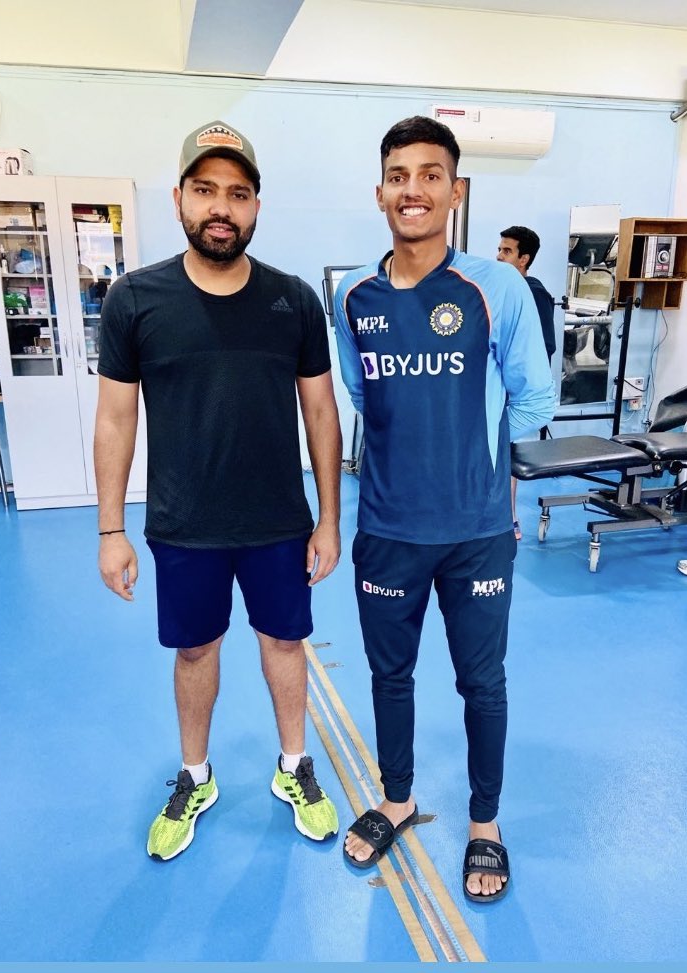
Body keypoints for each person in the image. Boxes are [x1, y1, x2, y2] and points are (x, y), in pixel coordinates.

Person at [94, 120, 342, 861]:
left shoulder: (293, 301)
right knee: (196, 650)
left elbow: (322, 413)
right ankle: (195, 775)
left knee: (285, 642)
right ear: (179, 199)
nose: (221, 207)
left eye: (237, 193)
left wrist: (329, 519)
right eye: (205, 190)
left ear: (257, 206)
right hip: (184, 522)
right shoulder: (134, 299)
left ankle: (294, 766)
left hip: (276, 522)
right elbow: (115, 418)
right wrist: (111, 531)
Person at [333, 116, 554, 902]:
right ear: (381, 190)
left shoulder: (498, 289)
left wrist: (484, 468)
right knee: (390, 677)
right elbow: (363, 397)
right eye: (399, 174)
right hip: (388, 529)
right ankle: (397, 798)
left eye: (431, 175)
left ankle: (485, 824)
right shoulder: (351, 295)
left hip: (477, 533)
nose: (413, 189)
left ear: (454, 192)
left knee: (481, 680)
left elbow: (534, 395)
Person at [497, 224, 556, 540]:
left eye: (507, 251)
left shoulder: (533, 293)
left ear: (524, 258)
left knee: (498, 446)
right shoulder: (506, 291)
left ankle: (509, 519)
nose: (499, 256)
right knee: (500, 447)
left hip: (521, 394)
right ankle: (507, 519)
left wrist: (515, 385)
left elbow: (544, 347)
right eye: (500, 248)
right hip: (503, 389)